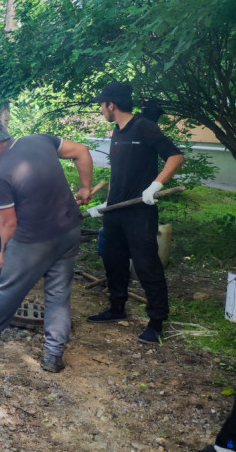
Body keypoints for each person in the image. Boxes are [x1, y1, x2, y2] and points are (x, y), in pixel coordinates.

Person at [0, 117, 94, 373]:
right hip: (68, 231)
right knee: (58, 295)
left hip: (33, 241)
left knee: (8, 289)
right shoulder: (40, 140)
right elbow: (82, 151)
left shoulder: (1, 174)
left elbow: (8, 223)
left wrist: (3, 253)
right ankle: (53, 356)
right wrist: (85, 187)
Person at [86, 81, 185, 344]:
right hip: (116, 211)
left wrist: (156, 184)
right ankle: (117, 309)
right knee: (113, 261)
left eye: (101, 105)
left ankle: (156, 323)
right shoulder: (117, 132)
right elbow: (119, 175)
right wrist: (104, 205)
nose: (100, 110)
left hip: (139, 211)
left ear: (111, 105)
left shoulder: (144, 126)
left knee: (146, 266)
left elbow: (175, 157)